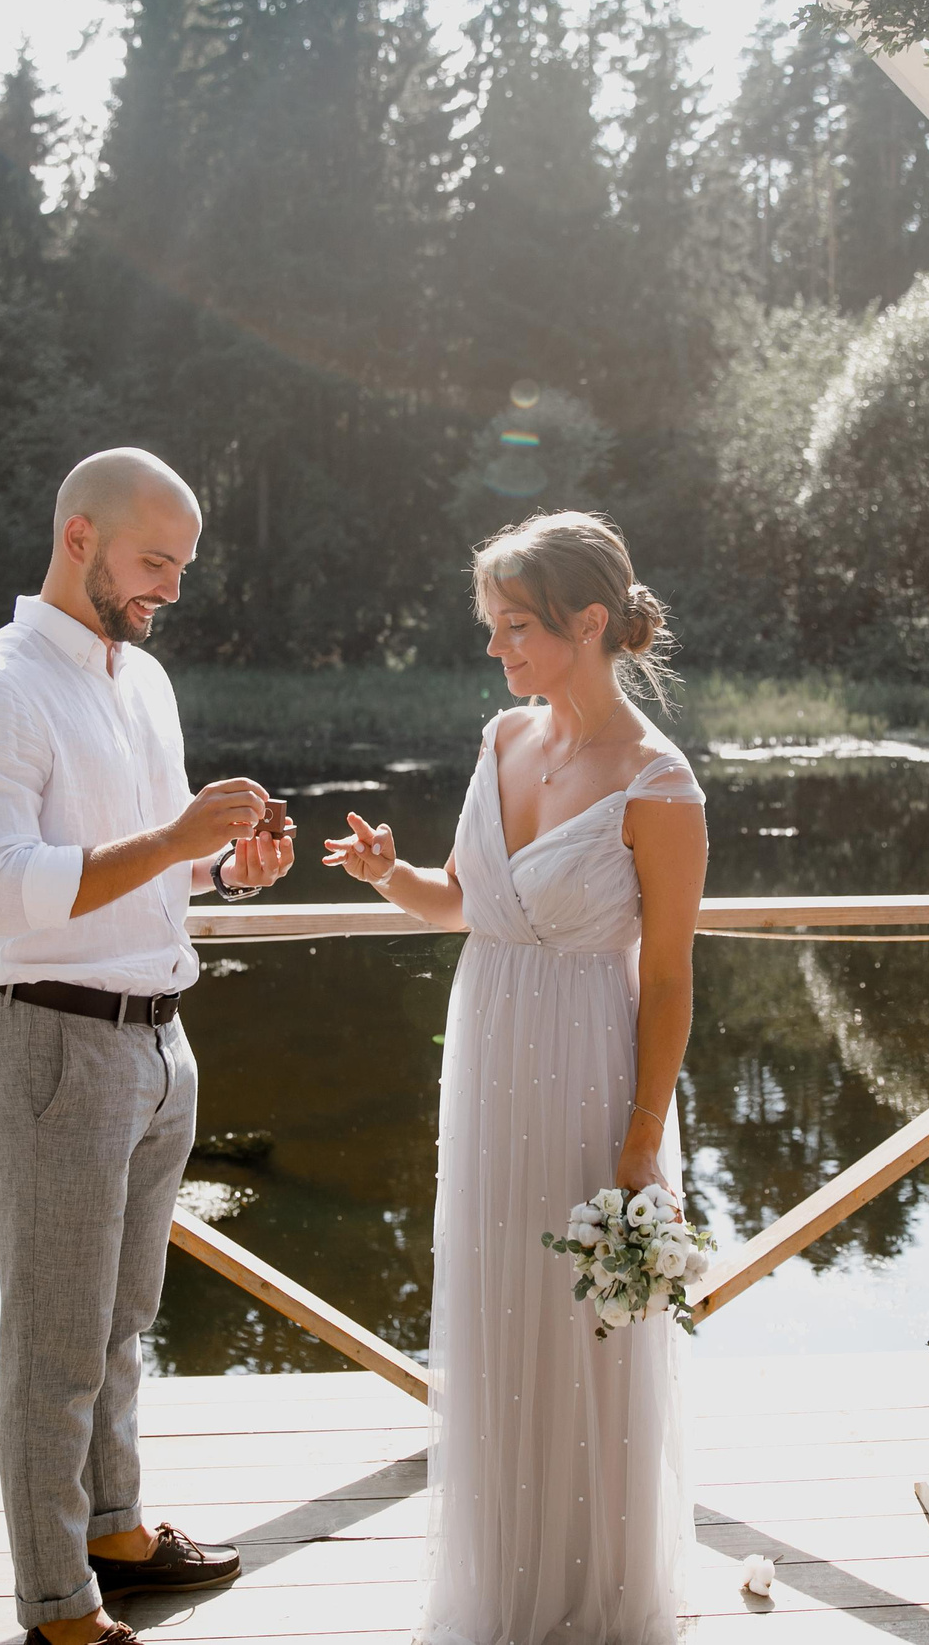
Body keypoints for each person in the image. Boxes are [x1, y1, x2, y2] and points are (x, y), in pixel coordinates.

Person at [0, 448, 293, 1645]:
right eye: (154, 563)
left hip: (155, 1041)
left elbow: (157, 864)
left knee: (121, 1320)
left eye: (182, 568)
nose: (171, 590)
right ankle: (57, 1610)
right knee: (53, 1343)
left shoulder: (142, 683)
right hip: (52, 1044)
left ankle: (114, 1533)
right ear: (78, 536)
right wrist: (177, 836)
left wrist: (223, 868)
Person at [325, 511, 709, 1645]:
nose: (498, 651)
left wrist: (640, 1144)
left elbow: (674, 981)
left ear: (589, 624)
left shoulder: (660, 785)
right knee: (497, 1313)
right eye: (492, 628)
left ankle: (591, 1599)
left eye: (516, 629)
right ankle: (501, 1587)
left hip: (592, 1074)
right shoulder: (501, 740)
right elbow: (466, 904)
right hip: (488, 1058)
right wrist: (389, 876)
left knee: (586, 1331)